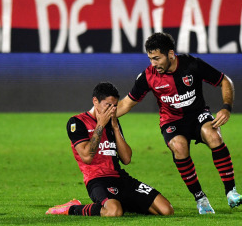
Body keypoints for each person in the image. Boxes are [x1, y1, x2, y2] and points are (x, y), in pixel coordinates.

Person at [116, 32, 242, 214]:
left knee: (213, 134)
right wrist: (103, 116)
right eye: (150, 59)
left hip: (198, 115)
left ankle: (231, 192)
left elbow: (225, 81)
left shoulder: (192, 65)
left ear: (170, 54)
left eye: (157, 58)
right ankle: (200, 198)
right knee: (179, 146)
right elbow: (126, 103)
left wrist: (226, 107)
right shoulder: (148, 76)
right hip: (172, 121)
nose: (153, 64)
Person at [46, 82, 174, 217]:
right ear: (95, 101)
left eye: (115, 106)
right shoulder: (77, 122)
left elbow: (126, 159)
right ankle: (72, 208)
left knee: (166, 209)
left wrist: (115, 128)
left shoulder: (113, 123)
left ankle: (123, 202)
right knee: (114, 211)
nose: (112, 110)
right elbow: (87, 157)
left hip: (120, 178)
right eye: (108, 105)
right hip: (97, 180)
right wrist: (100, 125)